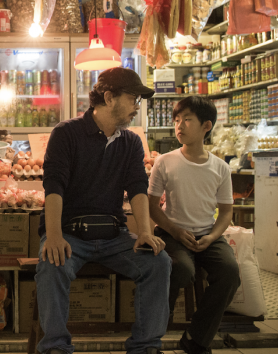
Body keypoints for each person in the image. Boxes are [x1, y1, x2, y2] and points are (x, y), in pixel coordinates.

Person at [36, 67, 171, 354]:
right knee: (51, 264)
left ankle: (145, 346)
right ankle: (56, 347)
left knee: (158, 263)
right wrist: (54, 235)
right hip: (71, 233)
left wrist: (144, 232)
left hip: (114, 236)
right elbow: (54, 188)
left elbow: (137, 187)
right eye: (133, 98)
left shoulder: (131, 141)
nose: (137, 106)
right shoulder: (66, 133)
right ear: (109, 98)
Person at [148, 97, 240, 354]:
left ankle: (196, 337)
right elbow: (152, 206)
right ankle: (153, 333)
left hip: (207, 235)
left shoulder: (220, 168)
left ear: (206, 126)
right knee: (181, 270)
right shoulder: (164, 161)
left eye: (187, 119)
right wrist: (176, 230)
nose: (180, 126)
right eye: (177, 120)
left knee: (230, 273)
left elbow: (226, 212)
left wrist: (212, 237)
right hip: (171, 233)